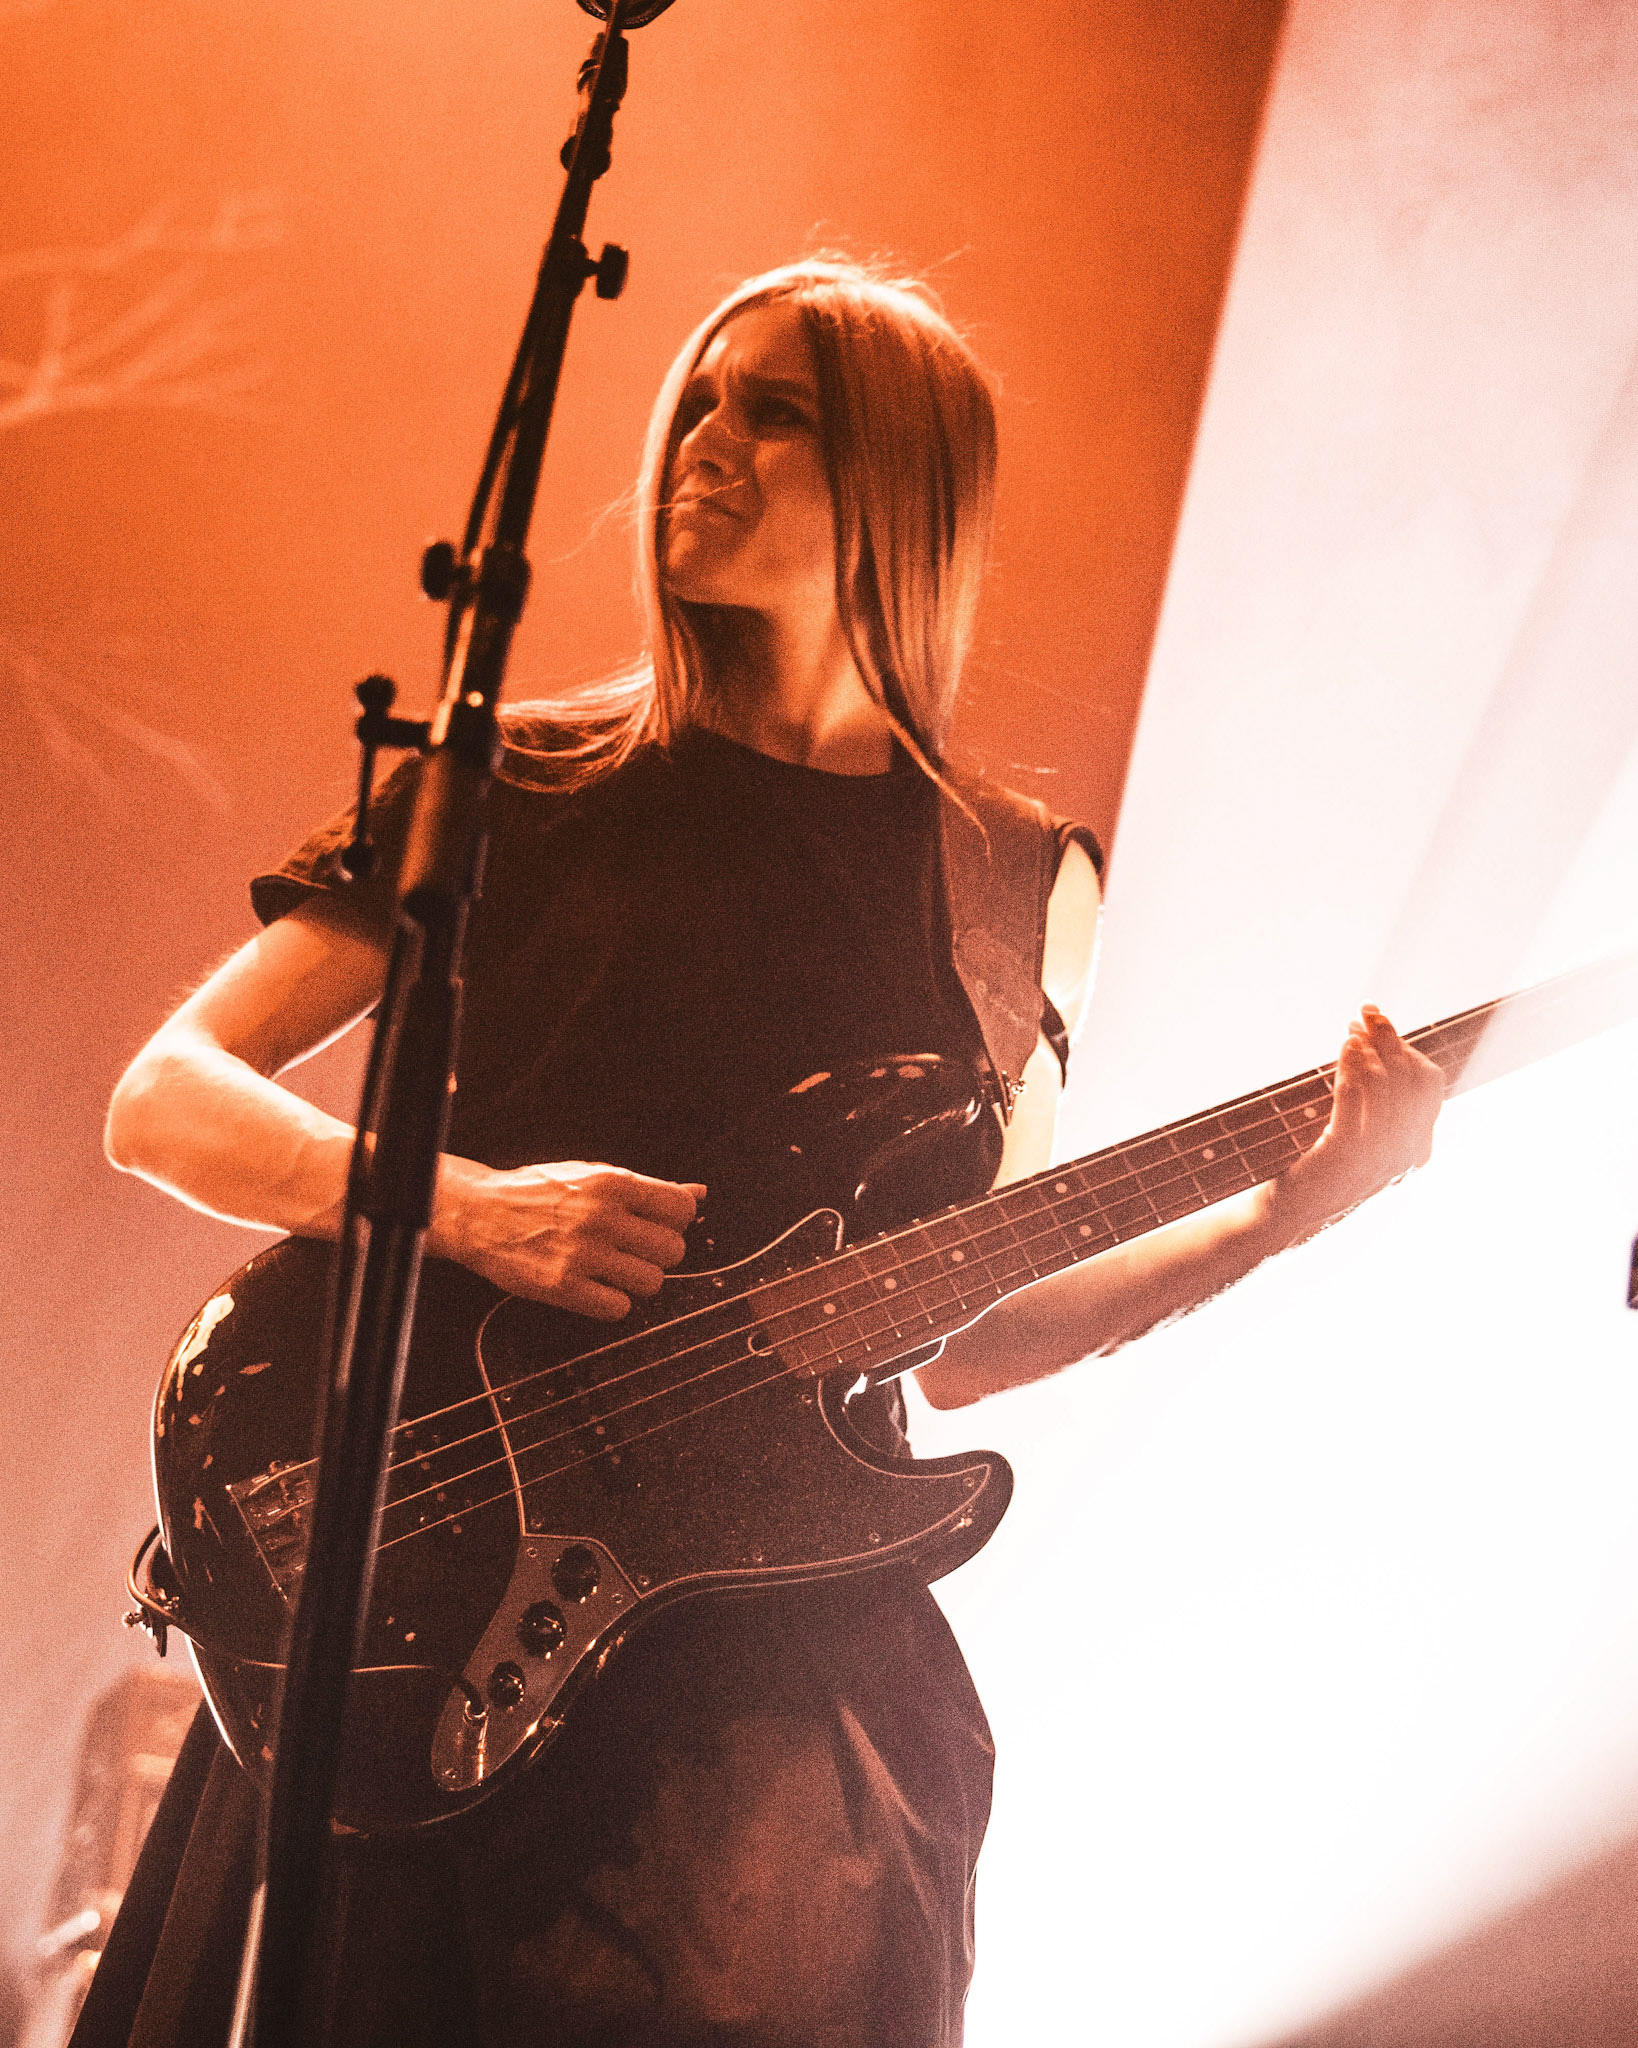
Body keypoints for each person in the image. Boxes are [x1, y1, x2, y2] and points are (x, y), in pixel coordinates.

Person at [87, 259, 1443, 2048]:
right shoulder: (522, 779)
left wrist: (1281, 1213)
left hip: (773, 1670)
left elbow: (967, 1330)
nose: (703, 445)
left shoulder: (1009, 881)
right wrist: (472, 1211)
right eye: (699, 408)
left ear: (902, 482)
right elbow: (168, 1095)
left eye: (775, 413)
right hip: (434, 1592)